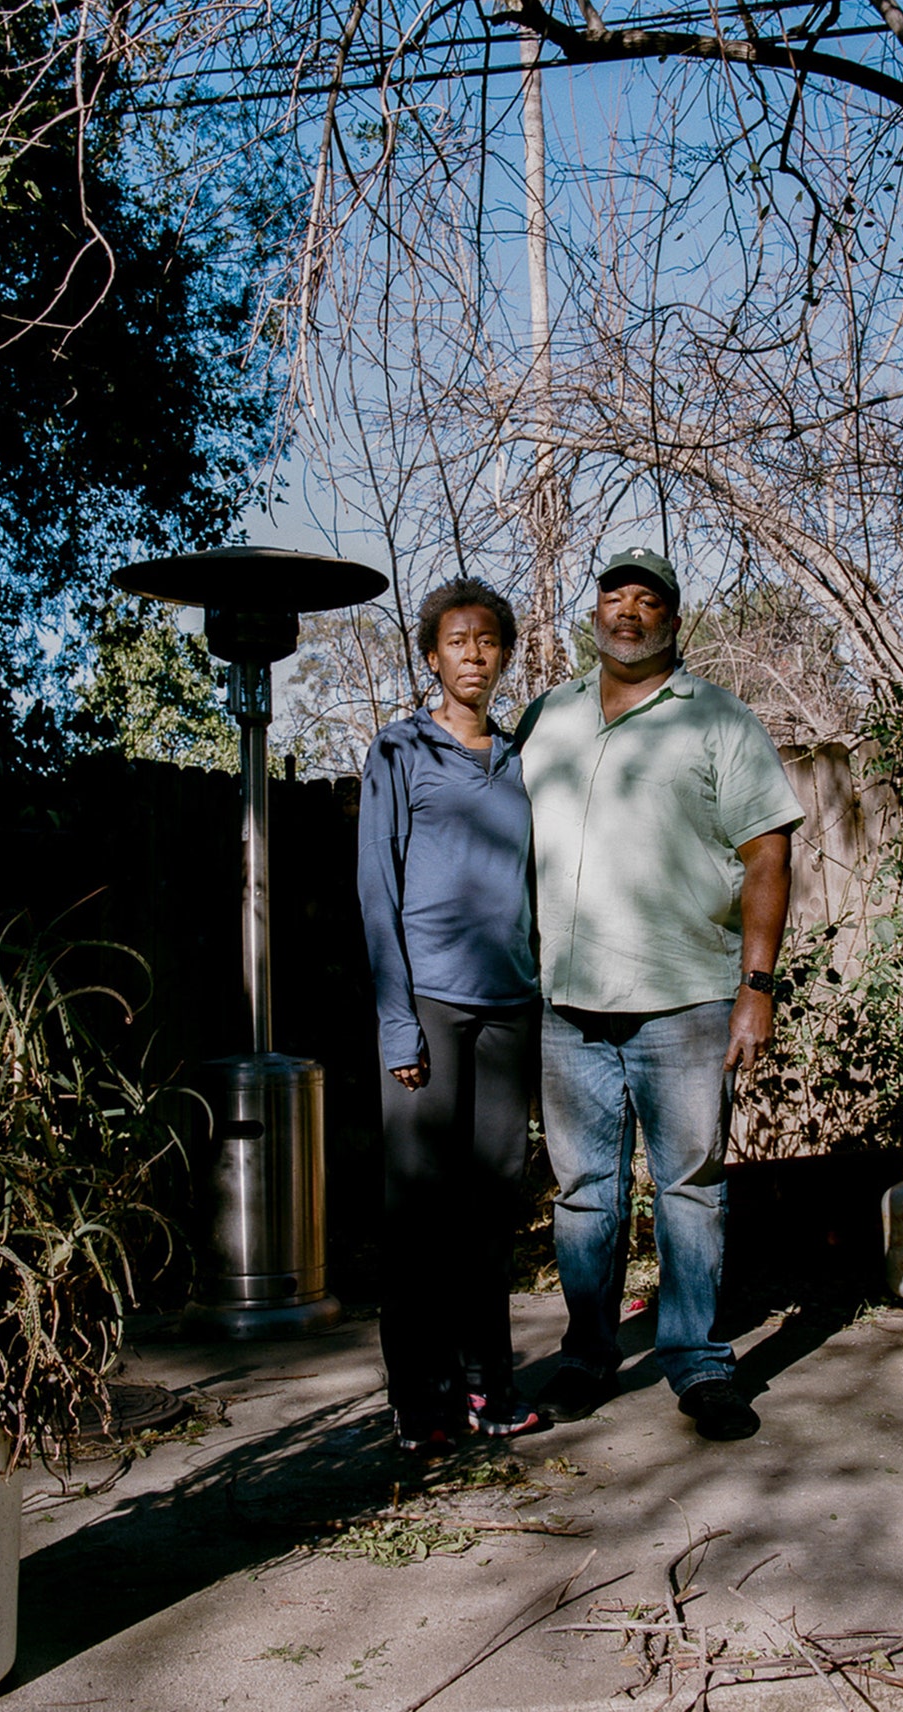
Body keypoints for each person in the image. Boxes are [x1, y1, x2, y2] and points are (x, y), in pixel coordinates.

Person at [516, 547, 800, 1442]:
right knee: (582, 1194)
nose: (628, 612)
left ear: (672, 620)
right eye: (615, 597)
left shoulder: (718, 719)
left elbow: (768, 854)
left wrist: (756, 988)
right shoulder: (546, 717)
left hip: (686, 1002)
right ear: (595, 613)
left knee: (690, 1188)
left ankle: (699, 1365)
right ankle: (586, 1356)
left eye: (647, 601)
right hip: (567, 1005)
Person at [357, 578, 544, 1452]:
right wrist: (398, 1021)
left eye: (488, 641)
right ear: (432, 656)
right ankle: (421, 1397)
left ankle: (487, 1384)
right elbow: (377, 891)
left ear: (504, 656)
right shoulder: (399, 750)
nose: (474, 655)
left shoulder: (517, 758)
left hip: (510, 1009)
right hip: (429, 1005)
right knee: (421, 1214)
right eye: (457, 642)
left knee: (491, 1211)